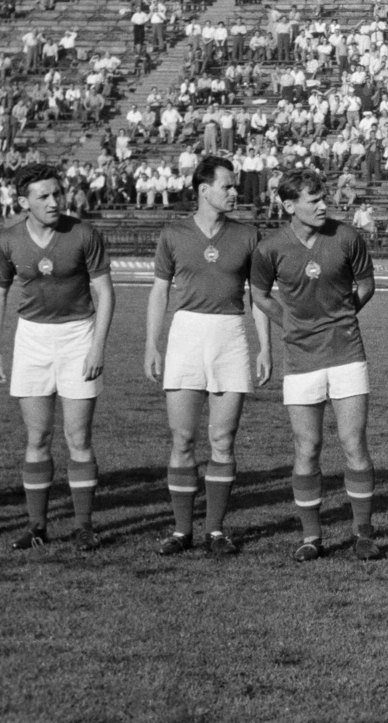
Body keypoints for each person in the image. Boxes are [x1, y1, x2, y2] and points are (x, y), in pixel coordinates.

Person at [250, 169, 382, 562]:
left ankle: (363, 533)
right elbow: (259, 294)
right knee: (307, 447)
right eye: (313, 200)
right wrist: (288, 323)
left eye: (323, 197)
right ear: (289, 206)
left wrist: (342, 316)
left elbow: (367, 284)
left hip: (346, 352)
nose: (324, 205)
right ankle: (312, 537)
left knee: (354, 443)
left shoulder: (346, 237)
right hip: (301, 357)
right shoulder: (270, 247)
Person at [0, 163, 114, 552]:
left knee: (78, 437)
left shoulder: (83, 234)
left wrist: (97, 346)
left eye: (57, 193)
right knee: (37, 436)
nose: (54, 201)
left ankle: (84, 525)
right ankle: (37, 527)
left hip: (78, 335)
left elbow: (106, 294)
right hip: (32, 339)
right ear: (24, 202)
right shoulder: (9, 240)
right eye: (43, 196)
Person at [144, 157, 269, 556]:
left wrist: (265, 346)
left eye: (234, 187)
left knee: (222, 438)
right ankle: (182, 531)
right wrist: (152, 343)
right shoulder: (174, 233)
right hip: (186, 333)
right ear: (204, 190)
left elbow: (259, 297)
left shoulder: (248, 235)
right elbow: (159, 292)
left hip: (230, 333)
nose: (235, 193)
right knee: (182, 438)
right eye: (228, 186)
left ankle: (215, 530)